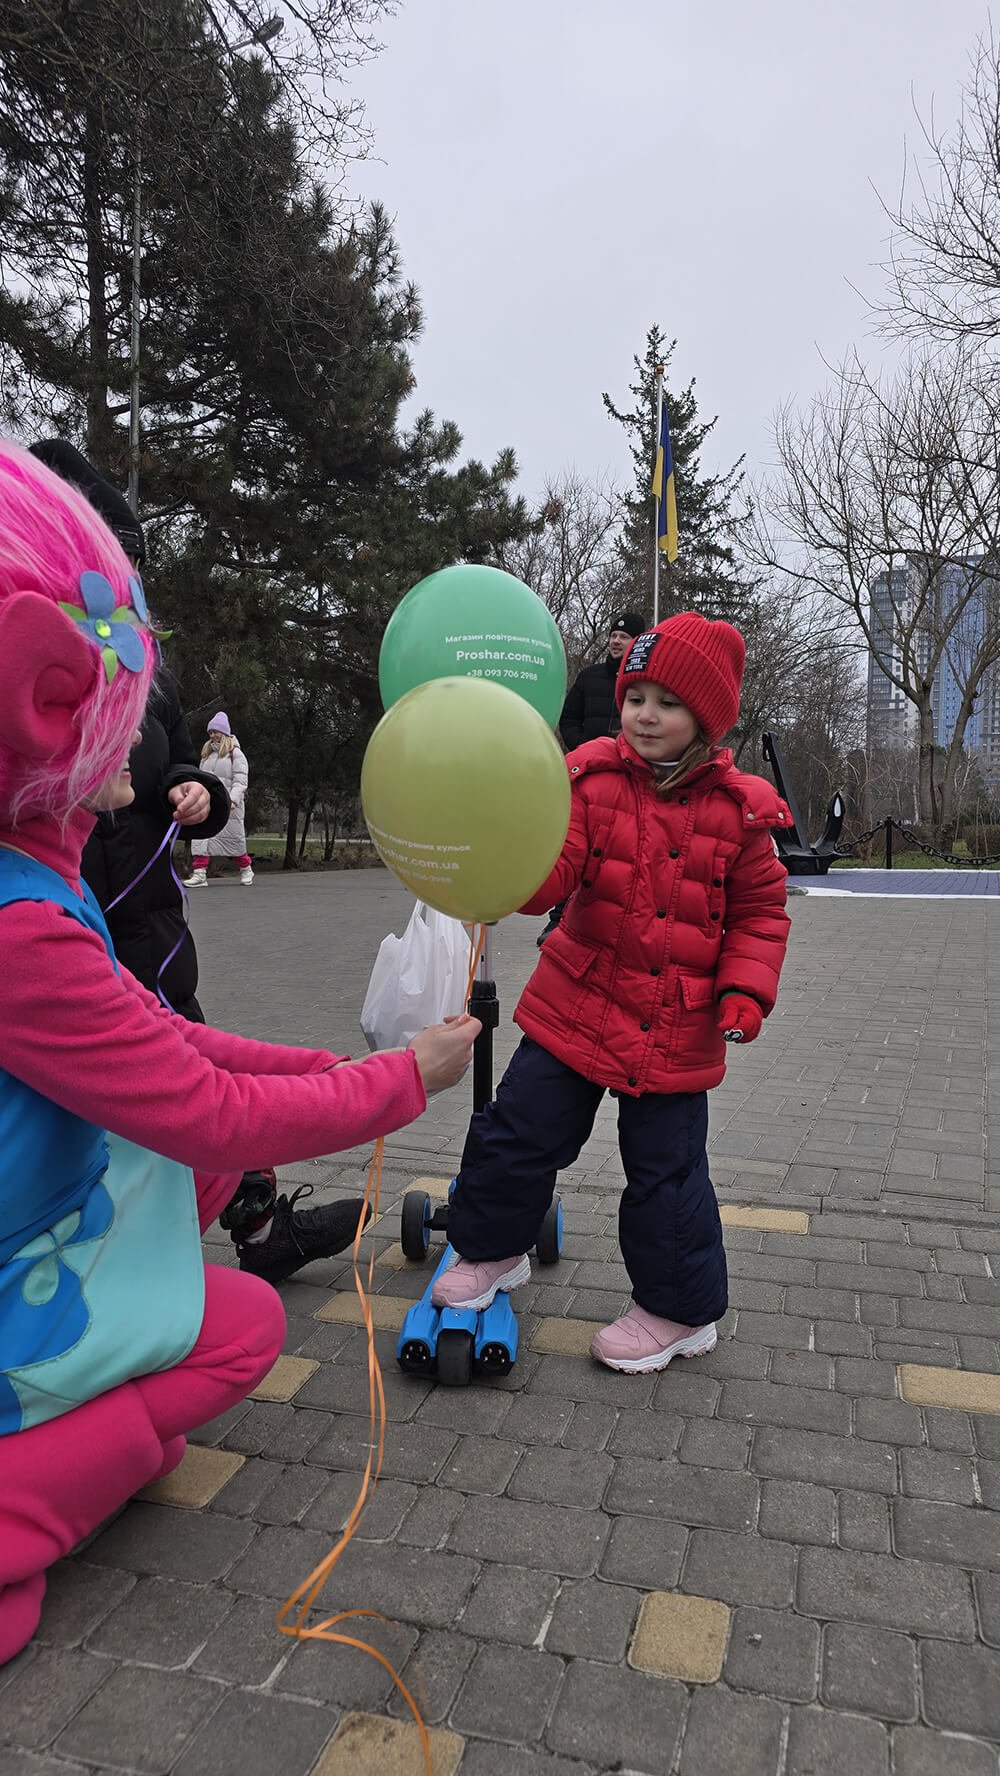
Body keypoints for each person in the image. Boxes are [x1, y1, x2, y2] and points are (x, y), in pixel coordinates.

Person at [0, 439, 480, 1663]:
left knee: (186, 1347)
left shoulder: (35, 872)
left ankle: (77, 1438)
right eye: (118, 713)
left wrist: (331, 1071)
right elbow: (199, 1110)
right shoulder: (20, 924)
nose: (140, 746)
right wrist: (398, 1084)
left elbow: (161, 1036)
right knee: (239, 1331)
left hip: (35, 1224)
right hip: (20, 1264)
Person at [431, 611, 793, 1374]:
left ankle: (680, 1312)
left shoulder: (739, 813)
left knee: (667, 1175)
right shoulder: (592, 781)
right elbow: (554, 867)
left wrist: (745, 991)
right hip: (578, 999)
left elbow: (761, 914)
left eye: (667, 702)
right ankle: (492, 1248)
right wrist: (509, 872)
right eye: (635, 697)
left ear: (707, 720)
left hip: (674, 1024)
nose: (644, 715)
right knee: (517, 1130)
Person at [537, 610, 647, 945]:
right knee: (574, 845)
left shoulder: (644, 684)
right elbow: (568, 718)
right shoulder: (589, 677)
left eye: (624, 637)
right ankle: (557, 920)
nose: (616, 641)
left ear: (637, 643)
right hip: (587, 773)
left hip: (629, 778)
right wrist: (582, 747)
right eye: (613, 635)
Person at [184, 713, 252, 884]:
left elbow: (240, 780)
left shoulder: (235, 754)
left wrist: (232, 800)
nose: (213, 735)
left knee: (233, 840)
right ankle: (199, 874)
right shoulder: (207, 754)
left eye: (216, 731)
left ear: (225, 732)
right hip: (209, 803)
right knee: (201, 837)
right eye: (210, 732)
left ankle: (246, 868)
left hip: (230, 805)